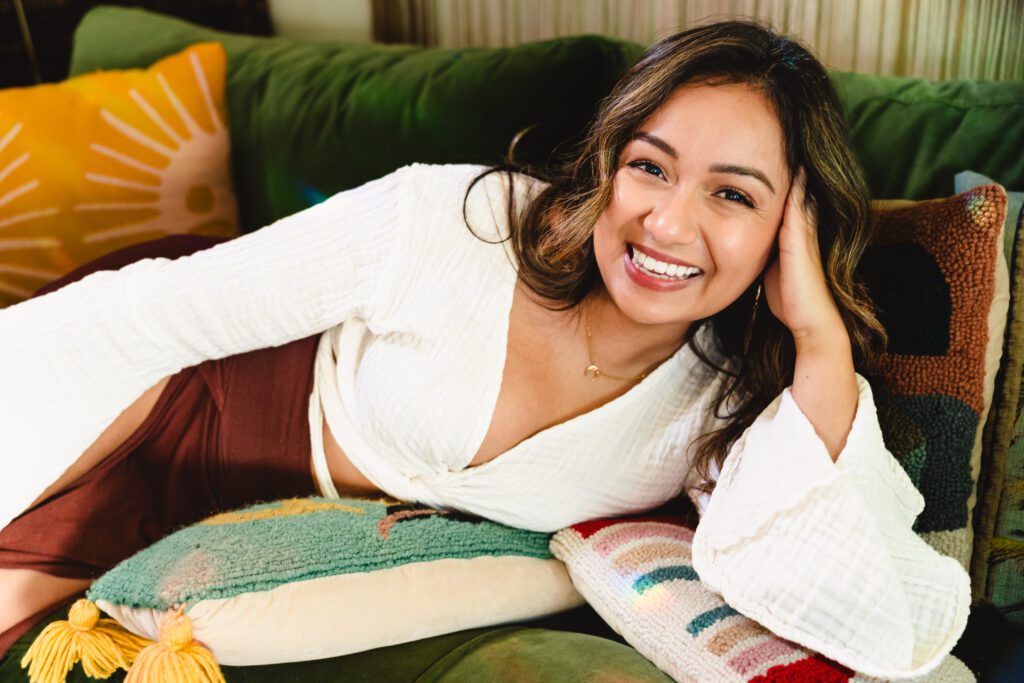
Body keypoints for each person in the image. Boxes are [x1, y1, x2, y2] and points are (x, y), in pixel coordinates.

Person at [0, 19, 968, 678]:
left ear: (791, 228)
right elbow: (148, 319)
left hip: (247, 508)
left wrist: (815, 330)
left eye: (733, 193)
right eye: (648, 167)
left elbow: (854, 588)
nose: (666, 224)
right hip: (178, 384)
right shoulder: (453, 221)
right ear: (606, 162)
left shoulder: (733, 398)